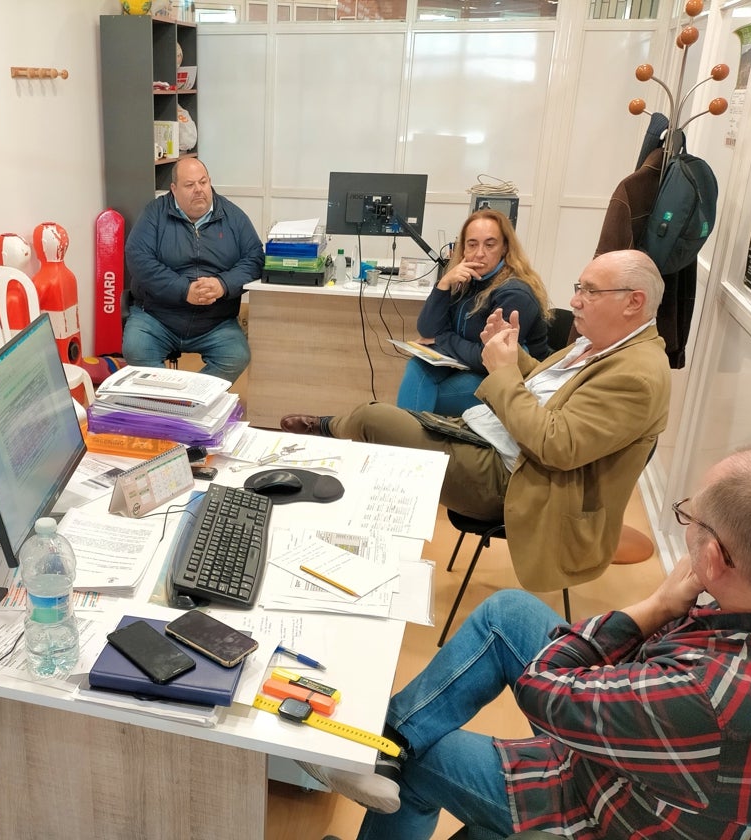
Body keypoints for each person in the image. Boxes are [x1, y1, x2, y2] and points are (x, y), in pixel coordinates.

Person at [303, 447, 751, 839]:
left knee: (426, 761)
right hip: (669, 765)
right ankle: (384, 741)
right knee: (508, 613)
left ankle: (390, 750)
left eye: (690, 515)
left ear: (714, 559)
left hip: (610, 809)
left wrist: (654, 607)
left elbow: (544, 688)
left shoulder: (707, 692)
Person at [282, 249, 670, 592]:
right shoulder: (598, 343)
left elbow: (557, 446)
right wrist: (511, 355)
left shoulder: (637, 374)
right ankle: (330, 463)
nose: (575, 300)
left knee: (374, 422)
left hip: (519, 481)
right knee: (387, 422)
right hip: (492, 438)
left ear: (633, 302)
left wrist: (501, 373)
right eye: (579, 287)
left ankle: (325, 440)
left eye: (590, 291)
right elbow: (544, 388)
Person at [123, 157, 264, 382]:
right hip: (157, 316)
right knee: (135, 350)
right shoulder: (154, 214)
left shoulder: (233, 217)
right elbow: (139, 258)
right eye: (189, 185)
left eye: (203, 182)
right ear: (173, 189)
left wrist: (223, 285)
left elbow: (255, 258)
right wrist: (184, 290)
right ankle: (168, 398)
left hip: (214, 321)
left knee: (236, 356)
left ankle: (190, 398)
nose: (199, 190)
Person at [397, 208, 551, 415]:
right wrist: (444, 284)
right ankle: (405, 439)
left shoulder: (515, 293)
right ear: (463, 249)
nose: (479, 253)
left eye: (490, 244)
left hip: (511, 379)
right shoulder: (469, 280)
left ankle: (404, 439)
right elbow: (427, 329)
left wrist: (442, 339)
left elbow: (486, 357)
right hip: (467, 365)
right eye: (472, 244)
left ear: (505, 248)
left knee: (431, 399)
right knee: (417, 367)